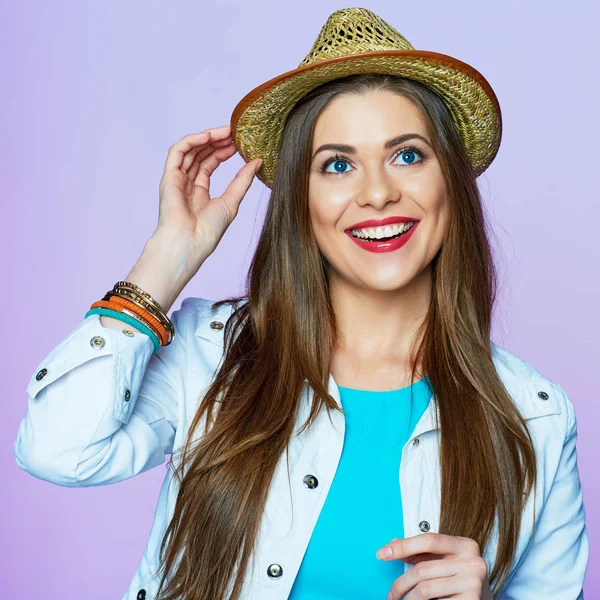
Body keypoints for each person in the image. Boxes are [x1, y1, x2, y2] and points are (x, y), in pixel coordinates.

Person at [14, 7, 588, 600]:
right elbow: (58, 451)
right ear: (300, 202)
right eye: (338, 165)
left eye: (408, 155)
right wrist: (165, 263)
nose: (378, 192)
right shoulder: (212, 355)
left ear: (451, 181)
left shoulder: (534, 415)